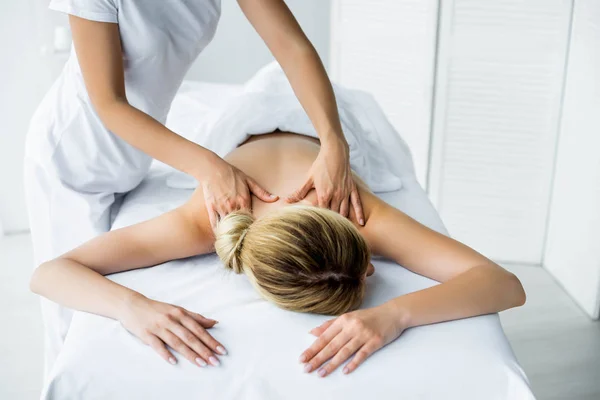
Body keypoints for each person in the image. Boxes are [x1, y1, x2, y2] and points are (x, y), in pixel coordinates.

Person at [24, 0, 362, 374]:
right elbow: (109, 104)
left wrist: (334, 142)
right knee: (71, 326)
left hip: (137, 155)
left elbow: (292, 46)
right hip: (73, 156)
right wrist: (210, 167)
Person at [30, 131, 526, 377]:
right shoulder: (205, 219)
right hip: (243, 131)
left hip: (329, 129)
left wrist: (395, 314)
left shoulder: (358, 211)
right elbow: (50, 273)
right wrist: (129, 307)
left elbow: (505, 284)